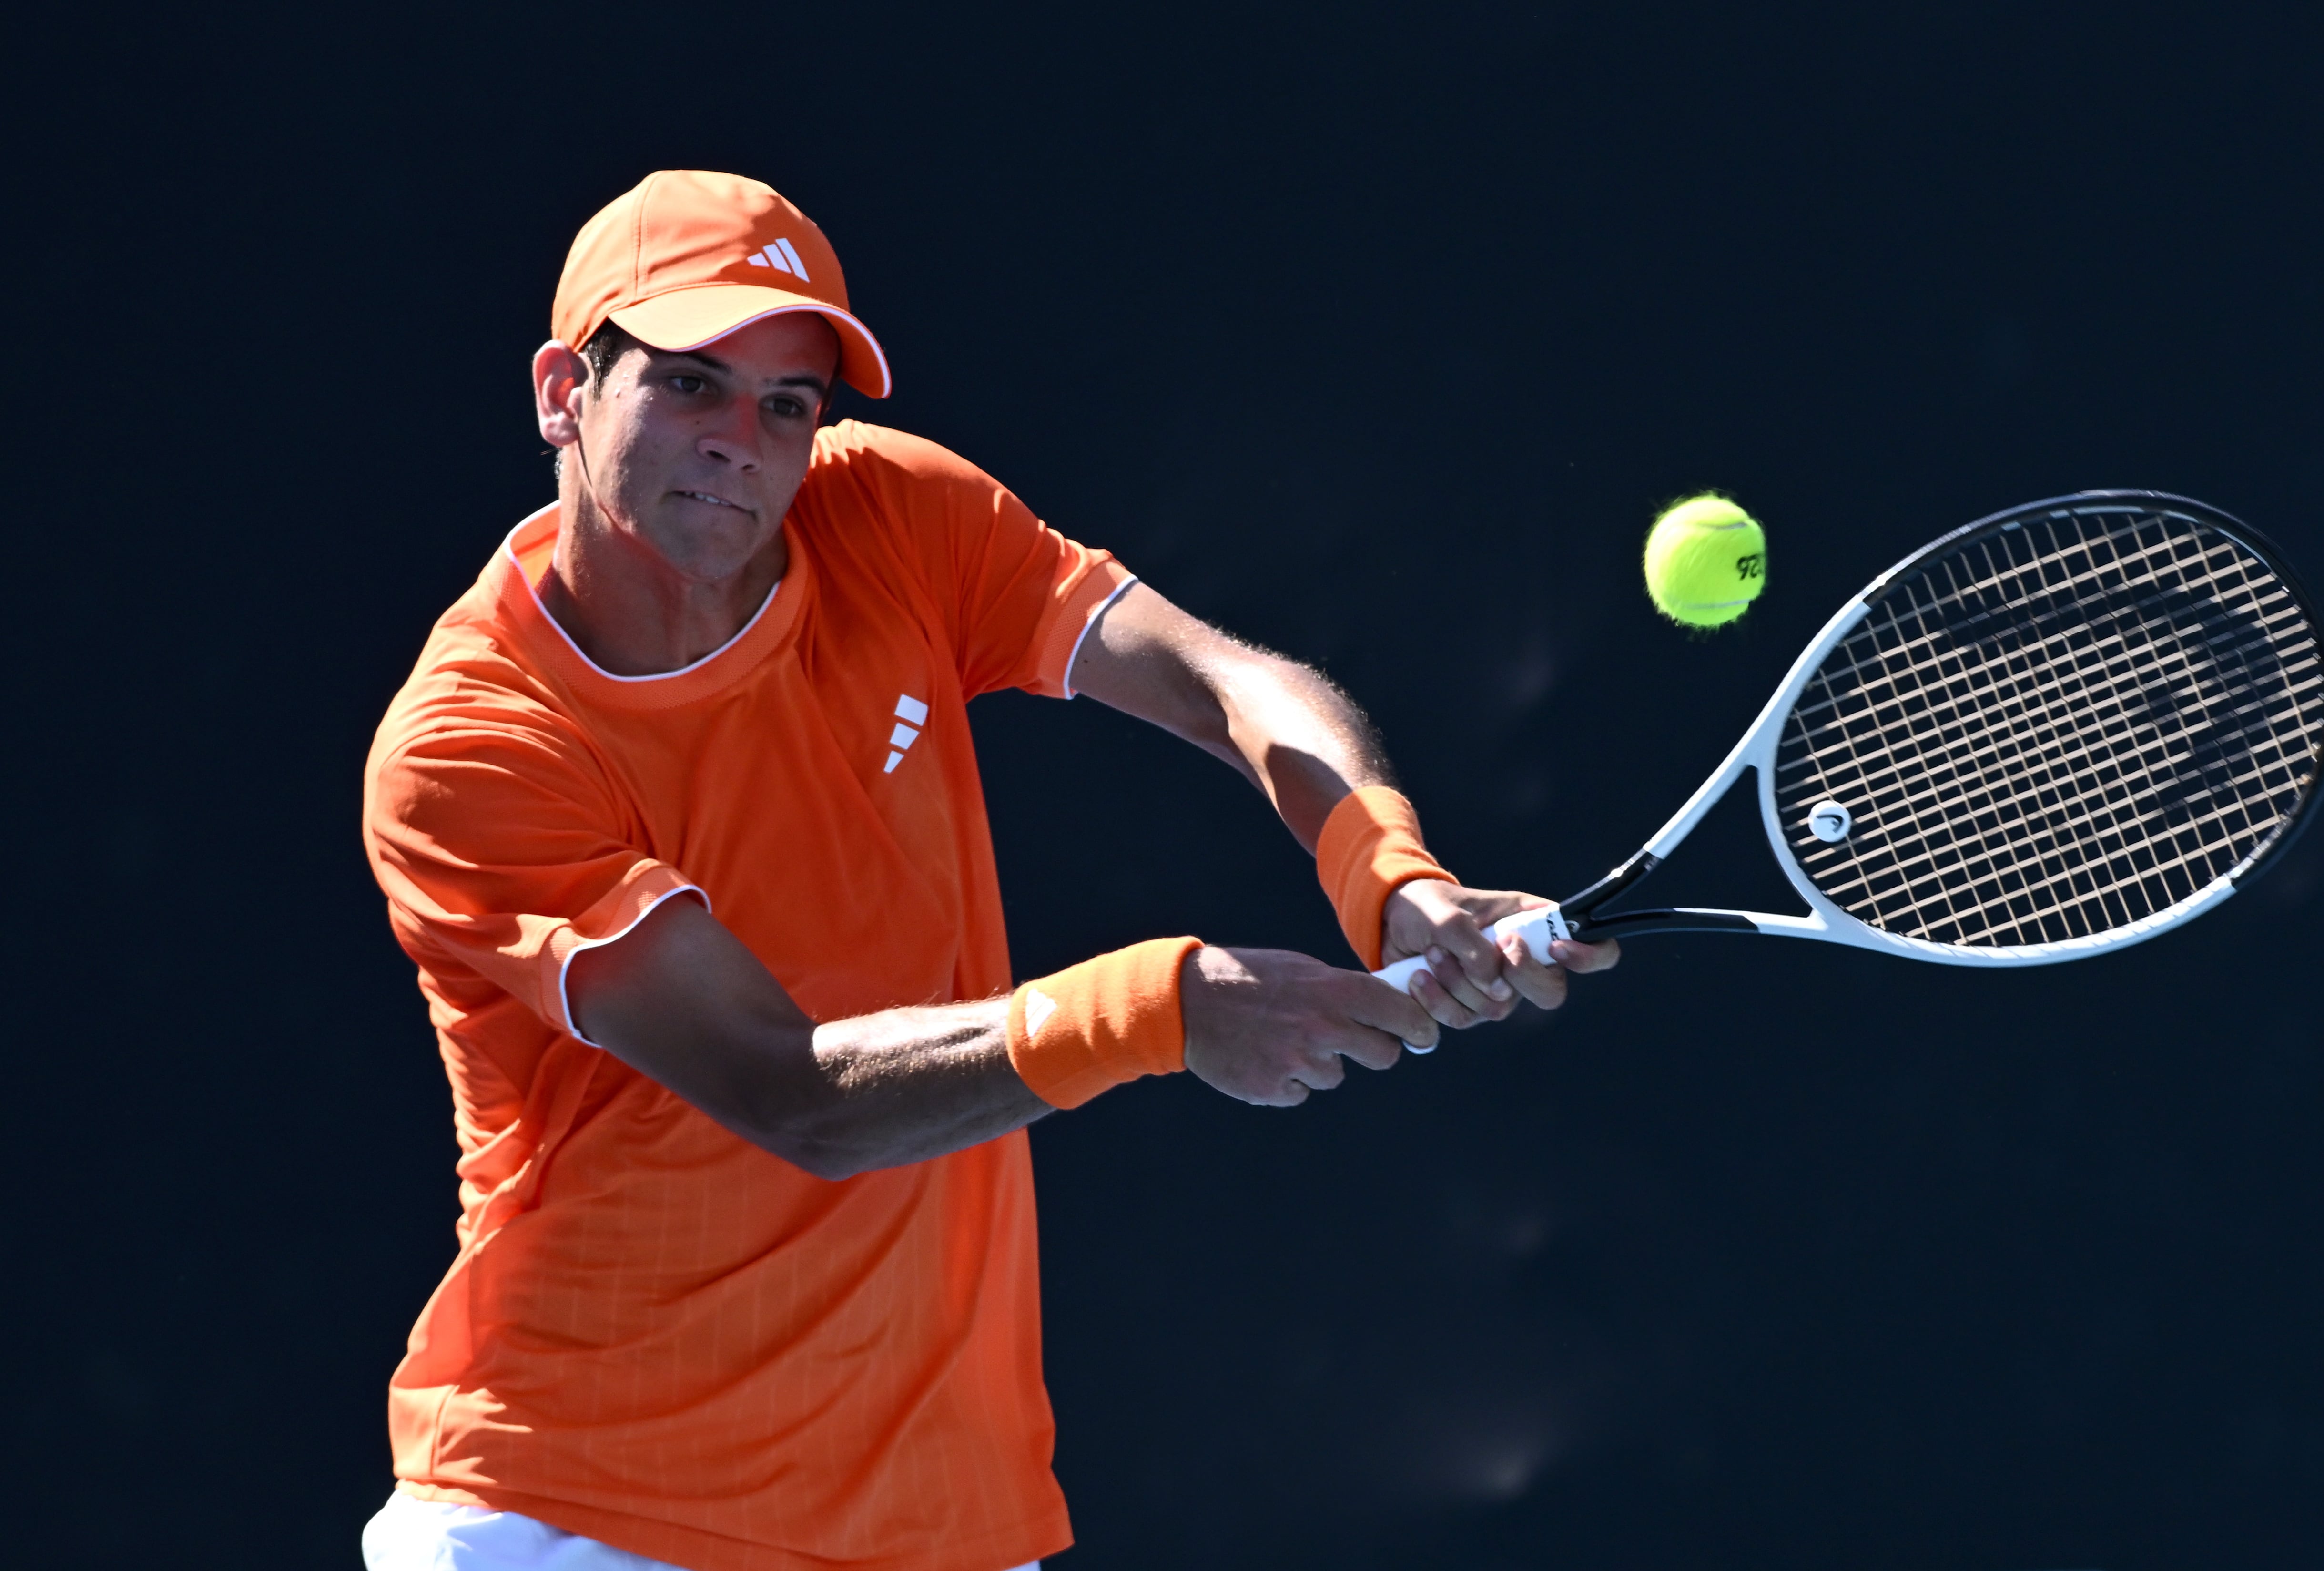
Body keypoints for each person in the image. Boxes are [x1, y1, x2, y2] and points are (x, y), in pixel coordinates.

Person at [358, 169, 1617, 1571]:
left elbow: (1215, 679)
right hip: (578, 1511)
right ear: (564, 392)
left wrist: (1390, 874)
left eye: (788, 405)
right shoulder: (474, 747)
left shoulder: (893, 518)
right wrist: (1162, 1010)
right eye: (691, 382)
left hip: (937, 1515)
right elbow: (792, 1091)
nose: (742, 442)